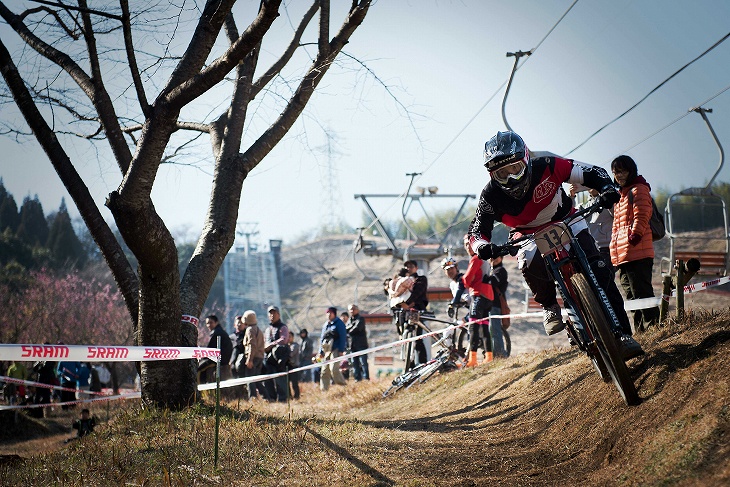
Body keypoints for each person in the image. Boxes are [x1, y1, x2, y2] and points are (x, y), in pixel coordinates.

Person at [468, 131, 643, 360]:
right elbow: (476, 230)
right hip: (526, 233)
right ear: (492, 175)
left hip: (566, 219)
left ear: (527, 160)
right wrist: (483, 246)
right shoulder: (489, 195)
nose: (511, 178)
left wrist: (607, 188)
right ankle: (549, 305)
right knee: (528, 260)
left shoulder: (549, 165)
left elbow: (593, 172)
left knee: (601, 273)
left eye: (515, 169)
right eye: (502, 174)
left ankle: (623, 337)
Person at [610, 155, 661, 332]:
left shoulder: (638, 189)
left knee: (642, 293)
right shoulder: (620, 195)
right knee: (631, 296)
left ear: (631, 171)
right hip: (623, 254)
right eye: (615, 172)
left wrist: (635, 235)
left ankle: (655, 328)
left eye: (622, 171)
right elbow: (616, 226)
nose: (619, 175)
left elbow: (642, 213)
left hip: (637, 250)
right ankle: (641, 331)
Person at [462, 234, 495, 366]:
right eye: (465, 245)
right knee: (485, 328)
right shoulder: (484, 259)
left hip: (479, 295)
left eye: (470, 243)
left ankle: (473, 359)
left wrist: (465, 282)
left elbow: (467, 279)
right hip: (488, 296)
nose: (468, 247)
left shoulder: (476, 259)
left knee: (473, 327)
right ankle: (489, 356)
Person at [402, 260, 429, 365]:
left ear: (416, 268)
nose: (409, 269)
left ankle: (423, 363)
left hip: (417, 310)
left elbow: (418, 292)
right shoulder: (402, 281)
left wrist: (407, 303)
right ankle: (410, 365)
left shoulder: (421, 279)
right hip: (405, 312)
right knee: (406, 338)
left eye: (411, 266)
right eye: (407, 267)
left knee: (418, 339)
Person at [317, 306, 347, 391]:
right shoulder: (325, 325)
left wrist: (341, 350)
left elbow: (342, 337)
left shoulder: (339, 324)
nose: (329, 315)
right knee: (324, 371)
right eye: (327, 313)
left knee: (334, 369)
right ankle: (324, 390)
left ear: (334, 314)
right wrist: (320, 351)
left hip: (336, 349)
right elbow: (322, 339)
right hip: (326, 350)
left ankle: (343, 386)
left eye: (330, 313)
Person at [263, 306, 290, 402]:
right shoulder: (267, 329)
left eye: (274, 313)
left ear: (278, 314)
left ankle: (283, 400)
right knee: (267, 379)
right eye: (270, 313)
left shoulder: (283, 327)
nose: (272, 315)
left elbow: (284, 339)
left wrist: (270, 345)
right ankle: (272, 398)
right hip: (268, 358)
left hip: (279, 358)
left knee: (280, 379)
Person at [198, 315, 234, 384]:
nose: (209, 325)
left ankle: (201, 389)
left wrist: (202, 358)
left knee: (199, 369)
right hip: (221, 358)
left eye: (211, 323)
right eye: (207, 323)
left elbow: (209, 350)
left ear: (216, 322)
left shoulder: (217, 333)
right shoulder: (219, 331)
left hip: (219, 359)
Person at [242, 310, 266, 400]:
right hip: (259, 357)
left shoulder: (250, 330)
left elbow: (252, 345)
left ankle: (253, 398)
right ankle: (265, 396)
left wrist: (250, 359)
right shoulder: (258, 329)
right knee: (257, 379)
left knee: (250, 379)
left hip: (253, 357)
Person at [488, 254, 509, 358]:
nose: (493, 259)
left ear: (501, 258)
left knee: (495, 331)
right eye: (491, 257)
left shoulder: (501, 270)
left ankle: (501, 355)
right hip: (490, 305)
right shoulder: (492, 271)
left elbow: (492, 282)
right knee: (492, 331)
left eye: (495, 257)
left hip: (495, 305)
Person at [346, 304, 370, 381]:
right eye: (350, 309)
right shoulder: (349, 320)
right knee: (355, 363)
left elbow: (357, 328)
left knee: (363, 362)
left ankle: (366, 378)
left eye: (353, 309)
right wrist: (350, 328)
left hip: (361, 345)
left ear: (357, 310)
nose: (352, 311)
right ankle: (357, 378)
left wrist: (349, 330)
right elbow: (346, 328)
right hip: (353, 345)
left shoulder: (361, 319)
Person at [288, 331, 301, 399]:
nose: (288, 338)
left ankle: (296, 396)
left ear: (293, 337)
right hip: (288, 367)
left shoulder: (295, 345)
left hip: (294, 366)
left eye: (290, 337)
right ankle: (289, 396)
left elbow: (291, 354)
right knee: (287, 383)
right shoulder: (287, 345)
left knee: (294, 383)